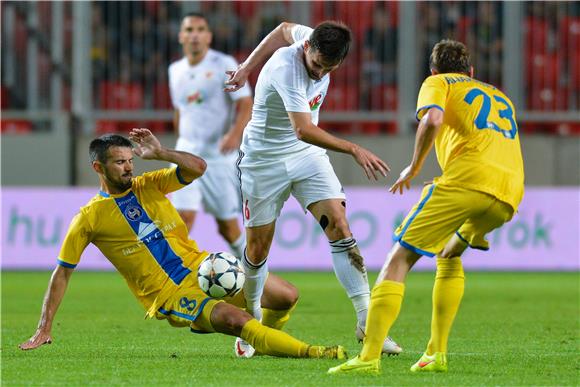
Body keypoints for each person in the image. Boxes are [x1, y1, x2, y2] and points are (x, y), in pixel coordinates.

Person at [19, 129, 346, 361]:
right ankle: (311, 352)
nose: (129, 166)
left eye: (129, 160)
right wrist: (44, 327)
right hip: (170, 292)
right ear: (98, 168)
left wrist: (161, 153)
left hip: (204, 267)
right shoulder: (88, 218)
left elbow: (198, 168)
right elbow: (62, 272)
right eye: (119, 162)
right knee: (238, 321)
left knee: (287, 296)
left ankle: (262, 344)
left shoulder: (149, 184)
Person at [329, 39, 525, 374]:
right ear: (472, 72)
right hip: (509, 193)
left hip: (468, 181)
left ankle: (369, 357)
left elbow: (433, 120)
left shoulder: (437, 82)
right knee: (449, 255)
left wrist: (414, 168)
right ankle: (436, 354)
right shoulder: (499, 94)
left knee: (399, 258)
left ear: (433, 70)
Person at [225, 21, 401, 356]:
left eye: (329, 69)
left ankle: (369, 325)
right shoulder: (285, 67)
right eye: (317, 66)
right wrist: (353, 148)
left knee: (340, 225)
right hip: (263, 160)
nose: (320, 74)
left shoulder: (312, 37)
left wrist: (246, 67)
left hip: (306, 157)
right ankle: (251, 322)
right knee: (258, 248)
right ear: (308, 49)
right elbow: (303, 129)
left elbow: (282, 28)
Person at [169, 12, 252, 259]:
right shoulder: (175, 70)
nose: (195, 35)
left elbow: (246, 102)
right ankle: (179, 279)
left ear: (208, 36)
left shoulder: (223, 64)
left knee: (227, 227)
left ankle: (252, 272)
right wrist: (180, 140)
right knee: (182, 219)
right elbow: (179, 110)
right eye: (189, 30)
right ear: (181, 36)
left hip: (217, 157)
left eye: (200, 29)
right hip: (186, 154)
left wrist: (235, 134)